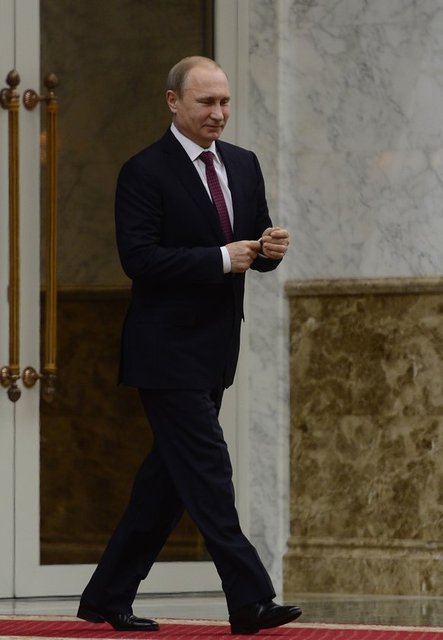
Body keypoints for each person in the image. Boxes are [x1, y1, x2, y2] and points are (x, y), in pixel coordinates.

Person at [77, 56, 302, 635]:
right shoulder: (143, 171)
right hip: (164, 352)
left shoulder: (243, 164)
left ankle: (106, 595)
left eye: (224, 102)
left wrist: (269, 250)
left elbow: (253, 247)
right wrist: (222, 258)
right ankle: (250, 599)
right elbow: (140, 259)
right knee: (208, 471)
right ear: (173, 102)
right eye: (206, 102)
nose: (218, 113)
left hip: (215, 350)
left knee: (168, 481)